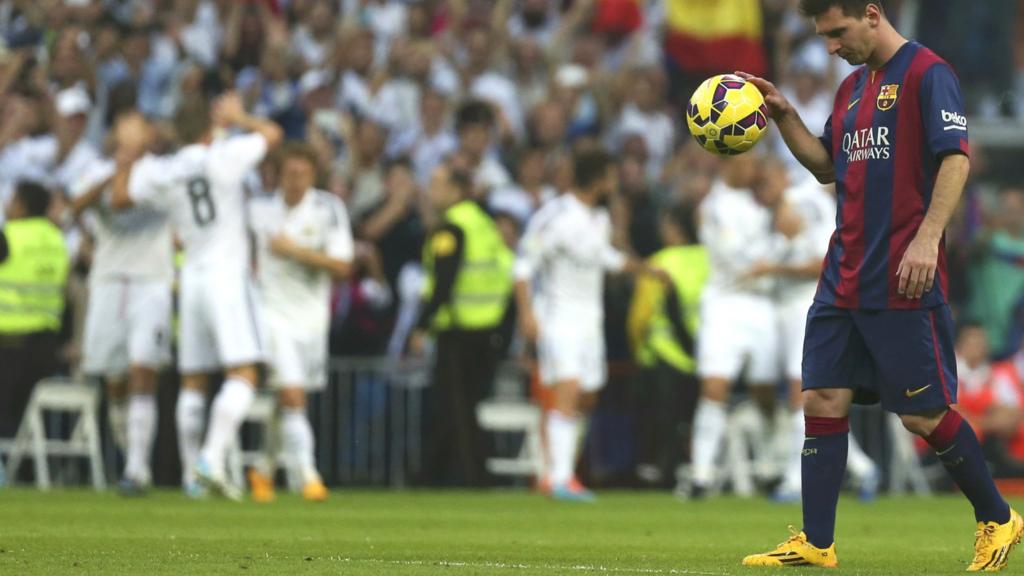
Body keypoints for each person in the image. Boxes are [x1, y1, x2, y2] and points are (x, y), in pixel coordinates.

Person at [740, 1, 1021, 570]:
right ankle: (817, 543)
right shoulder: (850, 91)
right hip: (842, 272)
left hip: (901, 276)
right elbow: (826, 167)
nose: (831, 47)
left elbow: (955, 161)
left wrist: (927, 237)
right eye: (823, 37)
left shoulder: (928, 73)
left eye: (837, 32)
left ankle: (998, 517)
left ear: (871, 14)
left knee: (922, 415)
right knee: (821, 397)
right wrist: (785, 115)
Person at [110, 95, 283, 500]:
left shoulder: (161, 169)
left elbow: (119, 199)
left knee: (194, 380)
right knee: (244, 374)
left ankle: (192, 477)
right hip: (228, 273)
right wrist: (239, 115)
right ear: (209, 128)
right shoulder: (224, 155)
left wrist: (129, 151)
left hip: (190, 277)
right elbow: (272, 135)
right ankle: (209, 457)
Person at [515, 147, 666, 501]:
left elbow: (606, 259)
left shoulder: (598, 219)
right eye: (610, 177)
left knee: (587, 396)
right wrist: (527, 313)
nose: (614, 184)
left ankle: (559, 470)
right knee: (566, 390)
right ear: (597, 178)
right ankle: (558, 477)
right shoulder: (554, 216)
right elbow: (523, 265)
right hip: (558, 316)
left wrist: (645, 269)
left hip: (590, 320)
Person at [748, 158, 880, 503]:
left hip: (810, 304)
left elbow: (824, 260)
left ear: (783, 175)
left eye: (766, 180)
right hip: (793, 309)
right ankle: (863, 468)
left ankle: (796, 479)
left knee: (801, 392)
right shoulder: (782, 209)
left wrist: (772, 268)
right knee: (812, 397)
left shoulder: (800, 203)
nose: (761, 189)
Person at [247, 143, 354, 502]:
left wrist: (296, 252)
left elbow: (343, 267)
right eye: (289, 174)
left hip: (311, 318)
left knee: (289, 396)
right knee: (292, 393)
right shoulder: (259, 209)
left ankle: (263, 470)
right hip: (271, 313)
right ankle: (308, 475)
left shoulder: (328, 209)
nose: (295, 181)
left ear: (312, 175)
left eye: (302, 175)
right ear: (278, 175)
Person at [70, 127, 174, 496]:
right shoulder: (95, 171)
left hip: (151, 281)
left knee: (143, 370)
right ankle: (133, 456)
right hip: (109, 281)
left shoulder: (161, 174)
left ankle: (136, 469)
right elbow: (74, 207)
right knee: (115, 382)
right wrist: (111, 177)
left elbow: (121, 202)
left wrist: (124, 179)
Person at [409, 160, 514, 487]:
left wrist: (421, 326)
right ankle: (435, 476)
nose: (431, 190)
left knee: (455, 411)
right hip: (488, 330)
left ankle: (471, 479)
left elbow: (444, 280)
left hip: (458, 331)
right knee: (465, 408)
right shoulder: (484, 223)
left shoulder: (451, 228)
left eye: (437, 184)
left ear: (455, 190)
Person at [686, 153, 781, 498]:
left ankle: (770, 466)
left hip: (761, 306)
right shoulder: (714, 205)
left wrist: (771, 262)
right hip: (724, 305)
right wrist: (773, 261)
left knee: (765, 392)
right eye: (750, 163)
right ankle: (700, 473)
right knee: (715, 387)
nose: (756, 168)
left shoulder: (765, 204)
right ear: (731, 165)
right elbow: (733, 257)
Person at [626, 202, 708, 486]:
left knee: (663, 420)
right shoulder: (708, 259)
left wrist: (638, 349)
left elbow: (641, 314)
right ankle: (700, 469)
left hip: (665, 351)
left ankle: (662, 473)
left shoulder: (660, 262)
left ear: (674, 228)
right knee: (698, 418)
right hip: (705, 351)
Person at [0, 182, 68, 440]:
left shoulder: (9, 237)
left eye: (11, 200)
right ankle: (24, 471)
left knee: (6, 414)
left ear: (21, 206)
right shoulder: (56, 239)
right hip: (45, 346)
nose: (7, 206)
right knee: (26, 418)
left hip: (9, 344)